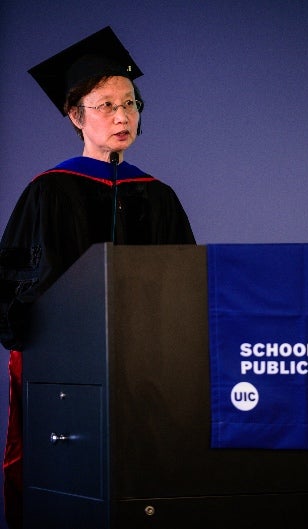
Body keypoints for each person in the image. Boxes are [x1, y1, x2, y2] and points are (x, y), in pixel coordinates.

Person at [0, 26, 195, 529]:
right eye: (105, 104)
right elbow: (16, 283)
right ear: (75, 115)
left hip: (147, 366)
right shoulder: (48, 191)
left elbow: (185, 282)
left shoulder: (158, 195)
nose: (122, 115)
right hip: (66, 368)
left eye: (129, 103)